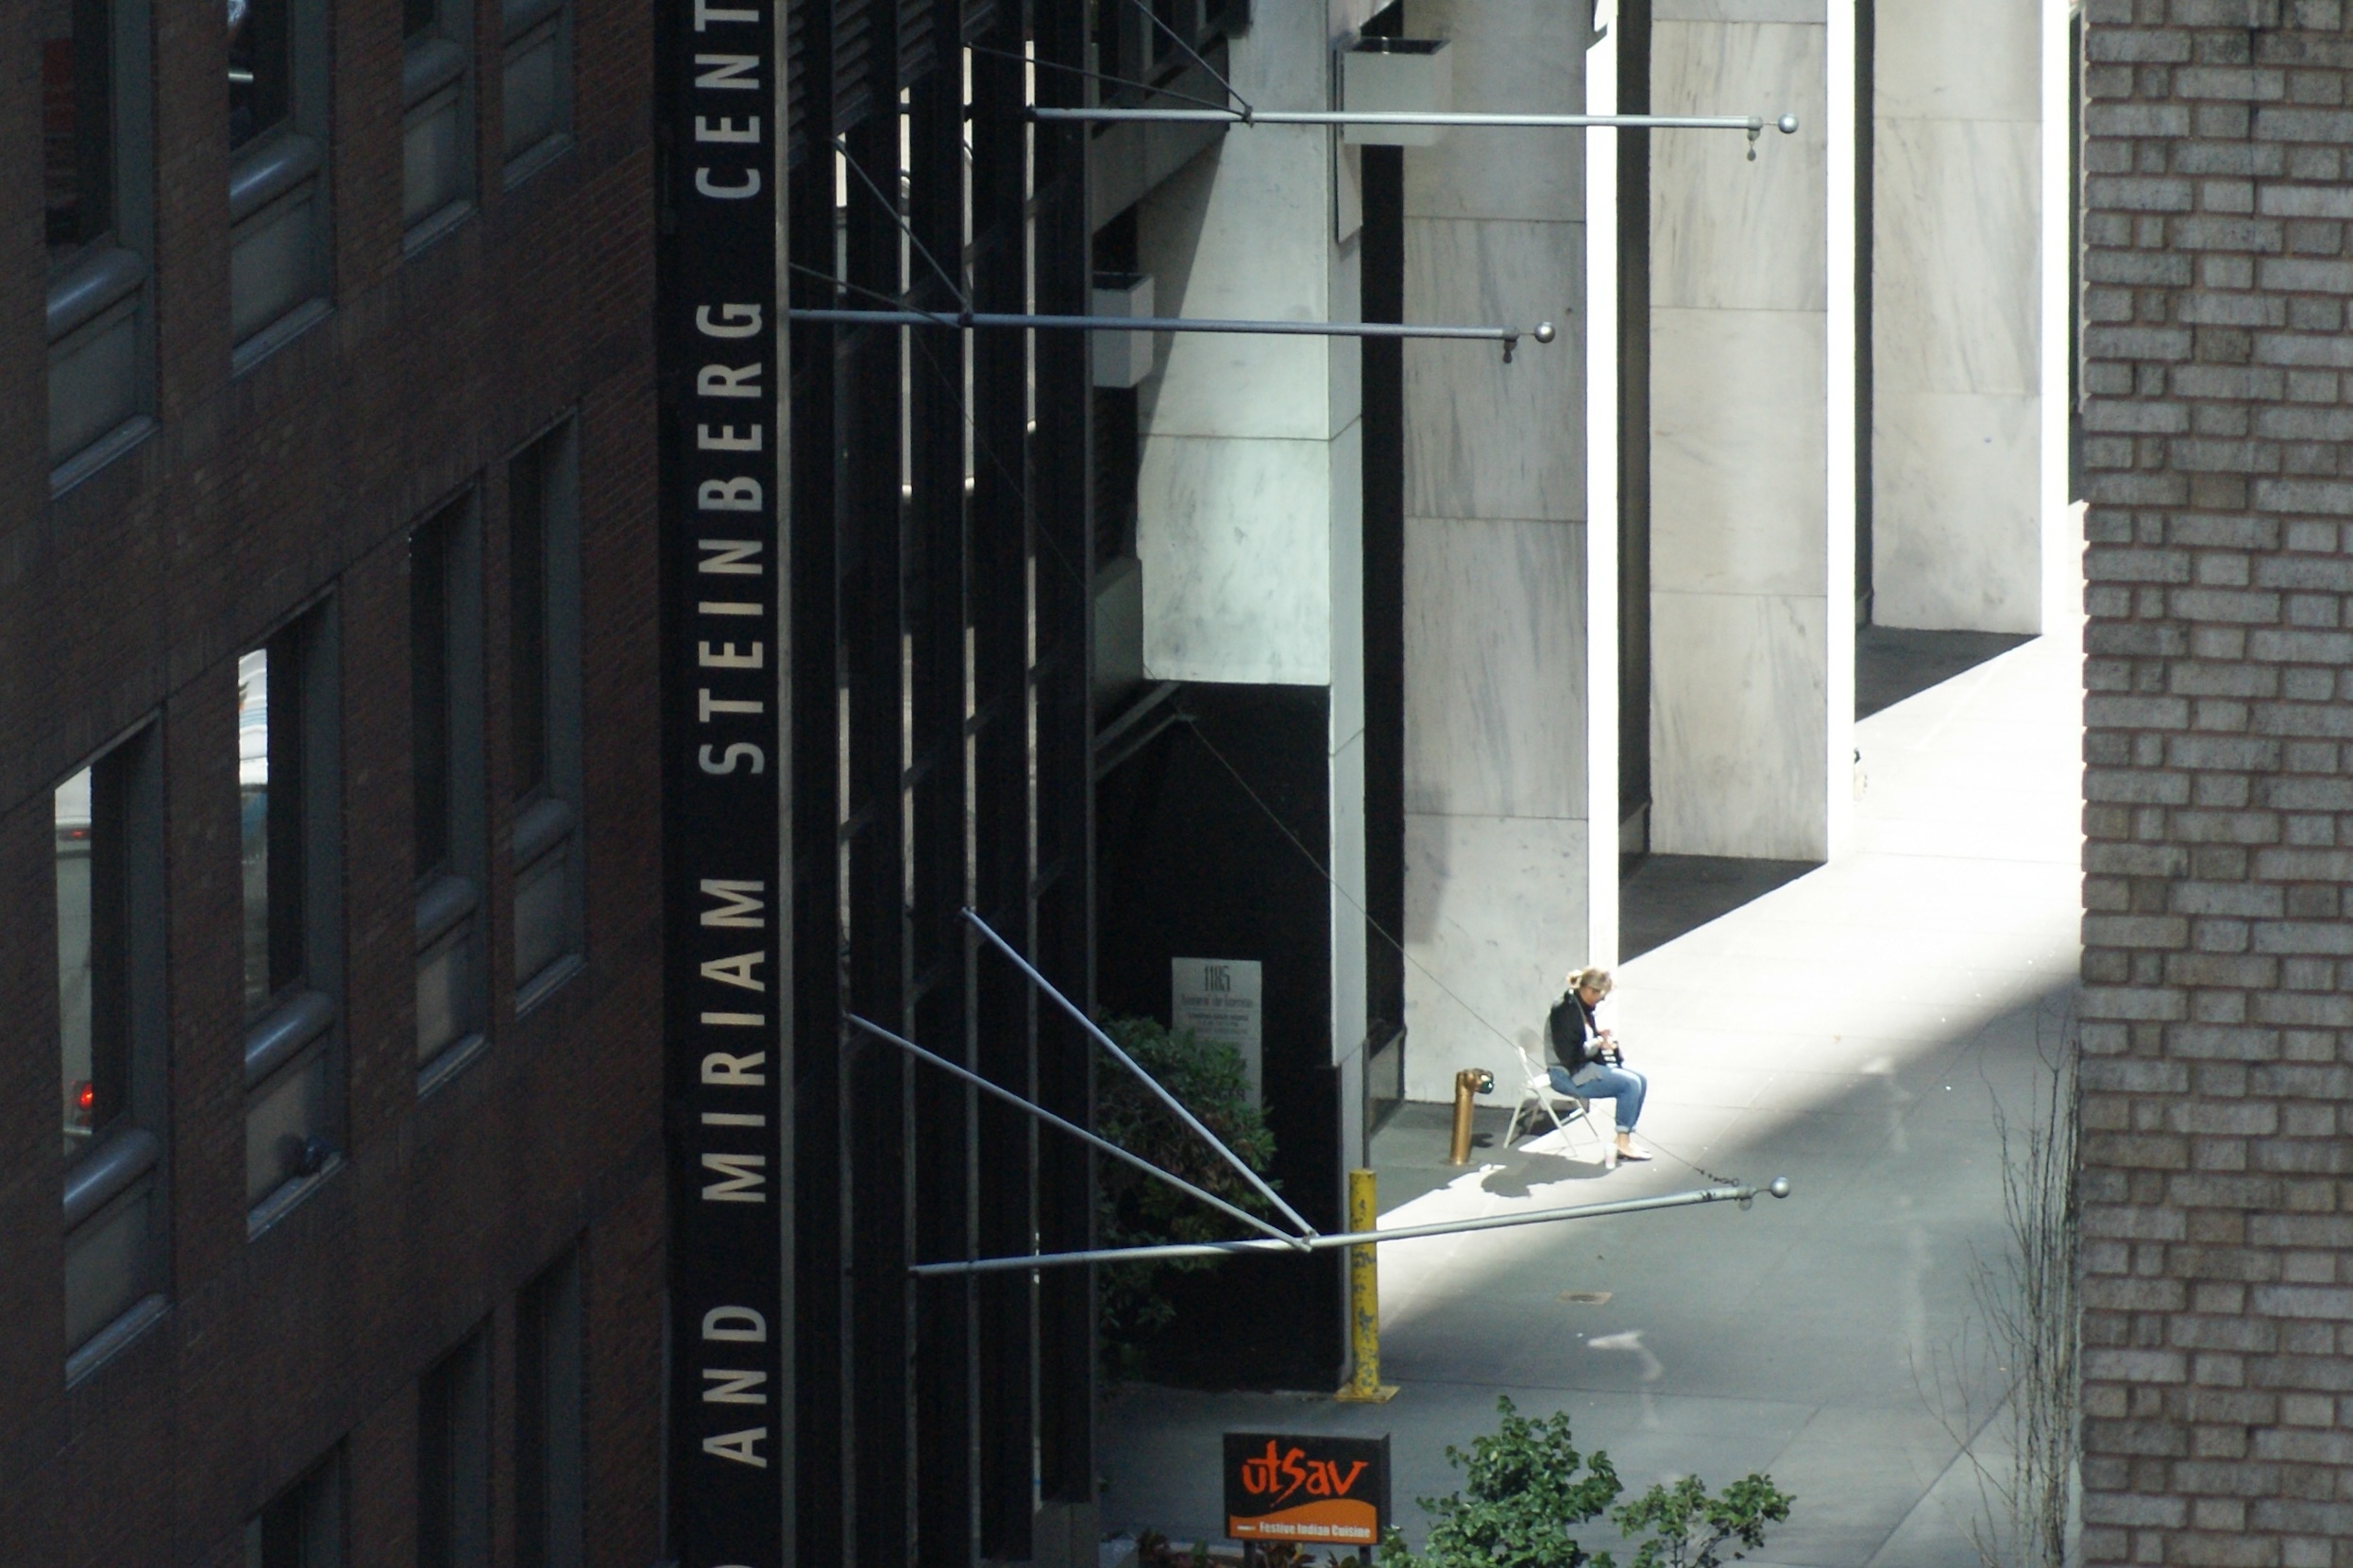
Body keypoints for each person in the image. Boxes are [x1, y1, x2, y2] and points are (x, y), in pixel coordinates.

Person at [1545, 967, 1651, 1163]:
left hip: (1580, 1067)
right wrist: (1598, 1043)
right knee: (1630, 1085)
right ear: (1591, 990)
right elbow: (1570, 1055)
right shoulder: (1566, 1010)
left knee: (1641, 1080)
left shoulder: (1581, 1006)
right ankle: (1622, 1140)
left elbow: (1581, 1041)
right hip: (1567, 1075)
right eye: (1601, 996)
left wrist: (1599, 1036)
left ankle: (1624, 1137)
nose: (1600, 1001)